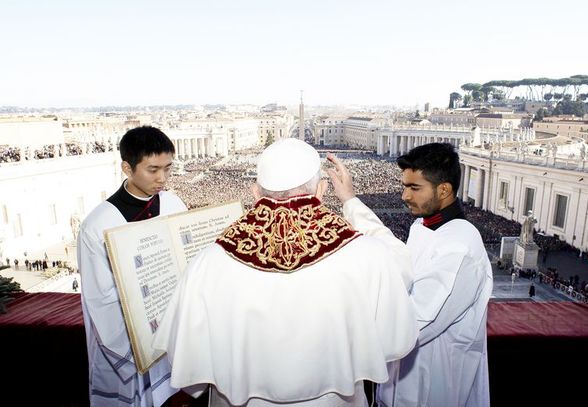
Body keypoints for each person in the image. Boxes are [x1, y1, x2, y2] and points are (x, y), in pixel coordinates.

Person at [153, 138, 418, 407]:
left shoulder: (207, 262)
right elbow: (396, 328)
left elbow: (189, 365)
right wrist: (350, 201)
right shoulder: (367, 254)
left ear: (255, 192)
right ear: (322, 190)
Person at [327, 142, 493, 407]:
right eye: (405, 186)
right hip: (398, 388)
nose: (404, 196)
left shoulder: (460, 248)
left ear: (444, 189)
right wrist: (350, 200)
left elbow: (410, 326)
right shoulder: (422, 226)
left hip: (432, 392)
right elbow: (393, 257)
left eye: (414, 188)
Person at [78, 126, 188, 406]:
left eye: (168, 168)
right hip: (130, 339)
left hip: (171, 324)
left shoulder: (173, 203)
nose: (162, 179)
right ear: (127, 167)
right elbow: (100, 297)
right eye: (153, 170)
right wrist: (141, 337)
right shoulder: (98, 224)